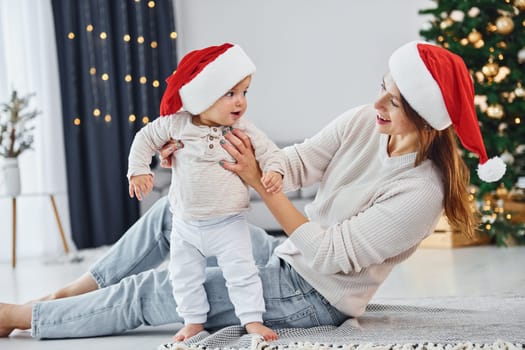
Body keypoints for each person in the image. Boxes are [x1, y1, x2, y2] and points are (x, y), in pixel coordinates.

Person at [0, 41, 506, 342]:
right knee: (172, 217)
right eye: (382, 87)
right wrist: (209, 159)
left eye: (392, 101)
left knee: (162, 290)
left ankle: (24, 318)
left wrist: (252, 182)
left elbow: (330, 255)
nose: (377, 102)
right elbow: (296, 162)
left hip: (317, 296)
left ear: (424, 118)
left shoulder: (421, 192)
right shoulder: (365, 123)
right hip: (289, 257)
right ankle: (70, 293)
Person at [127, 43, 283, 341]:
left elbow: (270, 152)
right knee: (183, 276)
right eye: (230, 93)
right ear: (203, 95)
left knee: (242, 273)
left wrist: (274, 170)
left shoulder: (243, 129)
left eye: (244, 93)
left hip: (228, 224)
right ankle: (193, 321)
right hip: (185, 224)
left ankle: (251, 320)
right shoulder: (177, 124)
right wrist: (139, 169)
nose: (240, 102)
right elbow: (144, 138)